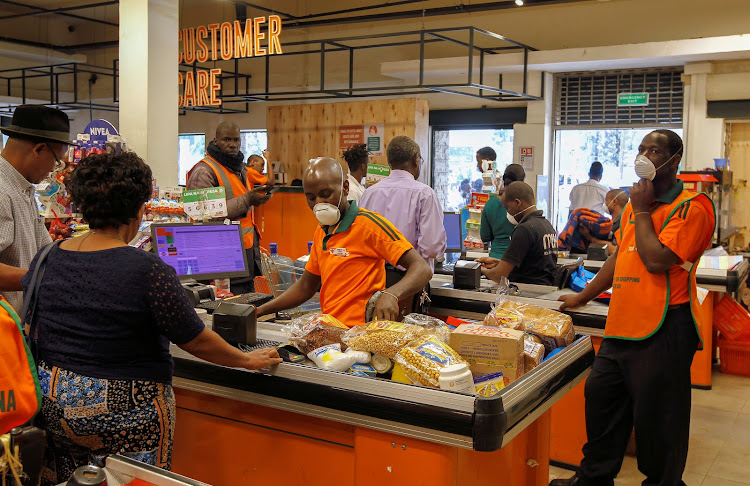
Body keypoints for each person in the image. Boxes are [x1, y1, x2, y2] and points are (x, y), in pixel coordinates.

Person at [24, 152, 281, 486]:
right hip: (126, 413)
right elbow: (196, 339)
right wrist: (246, 360)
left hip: (56, 407)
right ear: (138, 210)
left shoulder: (48, 256)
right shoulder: (146, 269)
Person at [552, 130, 715, 486]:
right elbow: (621, 257)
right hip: (622, 325)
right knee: (602, 401)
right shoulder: (630, 209)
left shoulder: (692, 208)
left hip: (665, 328)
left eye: (654, 150)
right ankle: (593, 479)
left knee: (659, 422)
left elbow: (656, 260)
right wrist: (584, 295)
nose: (643, 155)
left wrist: (640, 209)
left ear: (674, 161)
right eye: (641, 148)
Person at [256, 157, 432, 326]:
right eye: (311, 197)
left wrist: (392, 294)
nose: (319, 203)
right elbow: (305, 287)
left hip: (362, 335)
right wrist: (261, 310)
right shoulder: (322, 231)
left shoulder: (369, 225)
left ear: (345, 188)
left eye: (326, 194)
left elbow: (421, 268)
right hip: (331, 331)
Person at [0, 105, 74, 312]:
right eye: (56, 161)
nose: (53, 169)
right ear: (38, 149)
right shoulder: (2, 192)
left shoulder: (22, 188)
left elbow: (42, 249)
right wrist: (42, 278)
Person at [187, 121, 272, 293]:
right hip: (219, 261)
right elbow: (205, 215)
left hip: (244, 255)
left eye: (236, 140)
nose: (232, 144)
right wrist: (248, 199)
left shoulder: (238, 168)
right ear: (216, 141)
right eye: (226, 139)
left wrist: (255, 199)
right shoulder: (204, 171)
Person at [359, 135, 446, 271]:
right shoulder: (424, 194)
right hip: (410, 280)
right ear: (416, 160)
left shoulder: (369, 193)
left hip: (373, 279)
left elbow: (361, 241)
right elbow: (432, 248)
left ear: (389, 162)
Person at [476, 181, 558, 286]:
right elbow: (531, 266)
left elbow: (498, 276)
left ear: (517, 203)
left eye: (507, 208)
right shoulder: (547, 226)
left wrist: (480, 269)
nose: (508, 213)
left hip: (527, 292)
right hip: (544, 289)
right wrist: (498, 263)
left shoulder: (524, 229)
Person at [480, 164, 526, 259]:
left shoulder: (491, 204)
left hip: (494, 259)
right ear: (523, 182)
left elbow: (485, 237)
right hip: (518, 260)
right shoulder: (524, 205)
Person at [578, 189, 630, 256]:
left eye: (606, 200)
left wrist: (590, 237)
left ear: (614, 202)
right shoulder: (610, 223)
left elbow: (614, 249)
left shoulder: (623, 222)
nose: (604, 204)